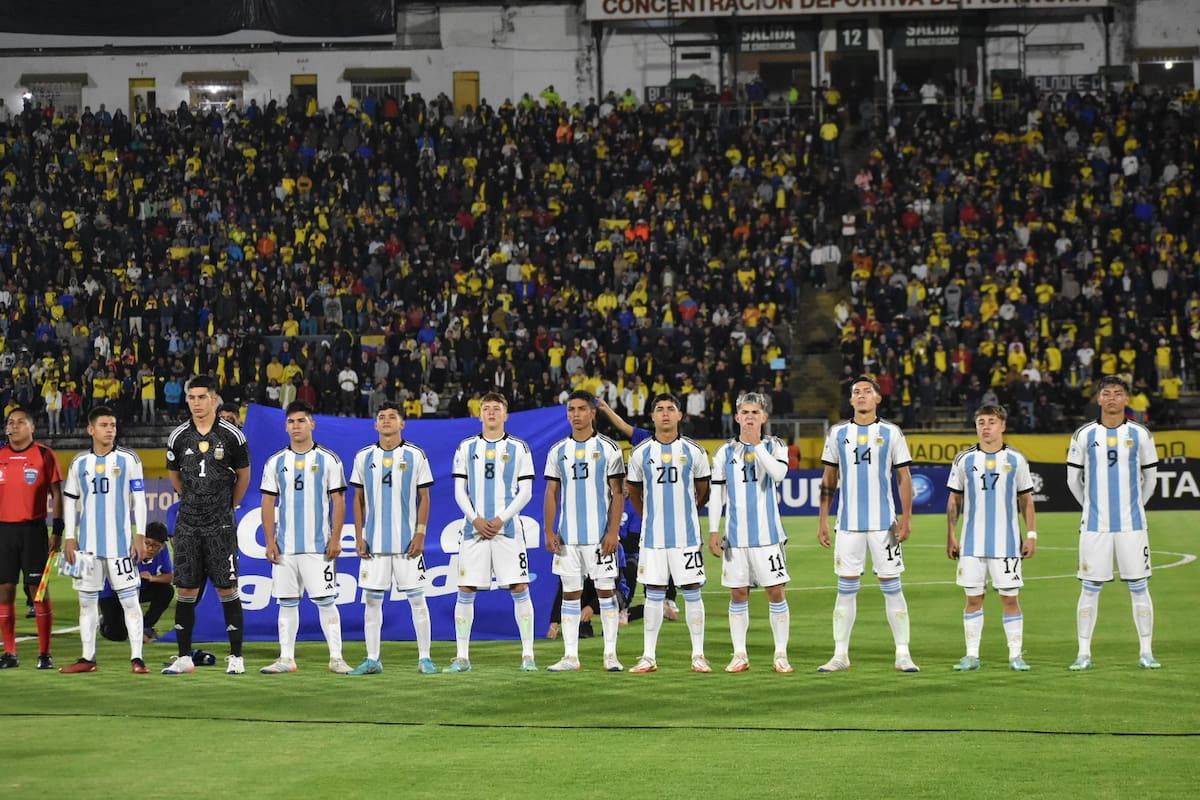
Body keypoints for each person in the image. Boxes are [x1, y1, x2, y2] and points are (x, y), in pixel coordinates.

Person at [816, 376, 920, 673]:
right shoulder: (837, 433)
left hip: (883, 526)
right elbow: (829, 479)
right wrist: (823, 520)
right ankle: (840, 655)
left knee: (892, 586)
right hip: (847, 525)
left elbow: (904, 477)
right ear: (850, 401)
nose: (860, 396)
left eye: (866, 391)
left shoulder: (891, 432)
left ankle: (902, 653)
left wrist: (907, 517)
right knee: (845, 589)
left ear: (878, 398)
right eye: (855, 392)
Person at [1066, 376, 1161, 670]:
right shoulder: (1083, 434)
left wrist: (1135, 507)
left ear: (1127, 399)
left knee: (1139, 586)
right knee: (1090, 588)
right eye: (1106, 393)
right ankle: (1083, 653)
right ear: (1098, 399)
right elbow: (1073, 480)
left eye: (1118, 393)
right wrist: (1092, 508)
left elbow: (1150, 479)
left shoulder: (1140, 434)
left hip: (1132, 526)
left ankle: (1146, 651)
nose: (1111, 398)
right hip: (1095, 527)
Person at [162, 376, 251, 675]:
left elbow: (244, 477)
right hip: (187, 524)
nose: (196, 403)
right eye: (192, 397)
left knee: (227, 588)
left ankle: (236, 656)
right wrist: (190, 500)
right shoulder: (178, 437)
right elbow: (175, 477)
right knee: (185, 589)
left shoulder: (232, 436)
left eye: (202, 397)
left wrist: (227, 506)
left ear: (214, 399)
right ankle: (184, 657)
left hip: (220, 525)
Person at [446, 392, 537, 673]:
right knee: (466, 588)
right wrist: (475, 519)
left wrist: (501, 519)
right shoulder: (466, 447)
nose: (492, 413)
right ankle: (462, 657)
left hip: (507, 530)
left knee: (520, 587)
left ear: (506, 415)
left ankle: (528, 655)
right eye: (486, 409)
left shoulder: (519, 448)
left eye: (497, 409)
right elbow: (460, 491)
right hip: (474, 530)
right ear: (480, 415)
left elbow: (526, 492)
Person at [259, 400, 352, 674]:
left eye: (301, 420)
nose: (296, 426)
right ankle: (286, 659)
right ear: (285, 426)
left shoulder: (328, 459)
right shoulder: (276, 462)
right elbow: (267, 503)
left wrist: (335, 539)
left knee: (326, 601)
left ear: (312, 424)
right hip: (286, 547)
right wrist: (270, 541)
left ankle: (336, 658)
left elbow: (339, 501)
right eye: (291, 421)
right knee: (286, 603)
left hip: (318, 547)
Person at [59, 406, 150, 673]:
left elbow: (140, 501)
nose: (110, 429)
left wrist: (140, 534)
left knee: (130, 601)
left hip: (120, 545)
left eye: (112, 425)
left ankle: (137, 658)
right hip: (86, 548)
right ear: (91, 430)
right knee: (86, 603)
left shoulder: (129, 459)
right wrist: (69, 537)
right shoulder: (79, 463)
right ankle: (88, 659)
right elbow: (70, 501)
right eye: (104, 425)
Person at [946, 404, 1038, 672]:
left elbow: (1027, 500)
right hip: (971, 544)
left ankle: (1015, 656)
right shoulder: (964, 460)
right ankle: (971, 656)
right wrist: (951, 535)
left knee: (1010, 599)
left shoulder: (1016, 459)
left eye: (991, 422)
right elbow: (954, 500)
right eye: (981, 422)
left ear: (1002, 426)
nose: (986, 427)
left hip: (1007, 544)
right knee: (973, 599)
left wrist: (1031, 534)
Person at [707, 392, 794, 674]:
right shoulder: (724, 452)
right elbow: (717, 494)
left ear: (764, 418)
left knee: (776, 592)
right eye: (744, 413)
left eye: (755, 413)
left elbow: (778, 475)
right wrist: (712, 531)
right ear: (736, 417)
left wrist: (757, 447)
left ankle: (780, 654)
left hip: (768, 537)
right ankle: (739, 654)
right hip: (735, 538)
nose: (749, 417)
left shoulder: (775, 445)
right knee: (738, 594)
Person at [625, 393, 712, 674]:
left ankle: (698, 655)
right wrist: (650, 517)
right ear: (652, 416)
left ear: (680, 415)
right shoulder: (640, 453)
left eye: (670, 409)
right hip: (652, 539)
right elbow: (635, 493)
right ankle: (648, 656)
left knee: (692, 591)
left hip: (686, 537)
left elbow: (703, 491)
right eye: (659, 409)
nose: (664, 413)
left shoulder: (694, 451)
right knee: (653, 593)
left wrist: (686, 511)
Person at [349, 401, 437, 675]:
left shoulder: (415, 455)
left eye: (392, 417)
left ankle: (425, 658)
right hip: (374, 543)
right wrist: (360, 535)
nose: (386, 421)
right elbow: (358, 499)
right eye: (381, 417)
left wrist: (420, 533)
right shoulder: (364, 456)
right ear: (375, 425)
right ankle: (373, 658)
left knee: (417, 599)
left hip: (407, 543)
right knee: (372, 601)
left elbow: (425, 497)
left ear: (402, 423)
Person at [543, 390, 626, 672]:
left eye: (581, 409)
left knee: (605, 593)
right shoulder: (558, 451)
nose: (575, 414)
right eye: (570, 409)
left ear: (593, 412)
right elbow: (551, 492)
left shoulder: (609, 448)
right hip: (568, 539)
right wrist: (549, 531)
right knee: (570, 594)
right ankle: (570, 657)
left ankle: (611, 655)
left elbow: (618, 494)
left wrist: (613, 532)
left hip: (599, 537)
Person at [0, 406, 64, 670]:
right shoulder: (0, 455)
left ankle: (44, 653)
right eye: (9, 423)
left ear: (32, 427)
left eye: (19, 422)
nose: (13, 427)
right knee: (4, 590)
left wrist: (57, 529)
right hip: (3, 531)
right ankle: (10, 653)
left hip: (33, 530)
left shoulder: (44, 455)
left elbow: (57, 494)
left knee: (37, 592)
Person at [99, 520, 174, 644]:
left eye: (156, 546)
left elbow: (169, 576)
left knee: (166, 590)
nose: (150, 549)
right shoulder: (128, 550)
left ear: (162, 546)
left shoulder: (163, 552)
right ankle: (106, 622)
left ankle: (145, 626)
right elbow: (114, 578)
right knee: (118, 635)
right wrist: (135, 574)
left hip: (139, 589)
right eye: (147, 543)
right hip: (113, 593)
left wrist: (152, 578)